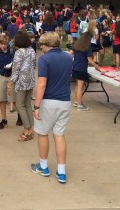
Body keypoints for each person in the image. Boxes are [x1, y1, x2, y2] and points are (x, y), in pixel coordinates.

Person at [30, 32, 73, 184]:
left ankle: (43, 166)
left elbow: (41, 84)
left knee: (42, 133)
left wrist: (36, 105)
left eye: (41, 45)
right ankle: (61, 171)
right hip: (65, 101)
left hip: (48, 101)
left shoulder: (44, 59)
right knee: (59, 135)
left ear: (47, 45)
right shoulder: (68, 57)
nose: (40, 48)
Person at [8, 30, 37, 141]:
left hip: (21, 81)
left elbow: (16, 69)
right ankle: (31, 129)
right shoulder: (31, 50)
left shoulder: (19, 52)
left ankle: (27, 129)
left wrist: (11, 83)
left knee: (20, 105)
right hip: (30, 79)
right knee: (28, 104)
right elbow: (34, 65)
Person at [71, 32, 103, 111]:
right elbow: (90, 60)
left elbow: (70, 53)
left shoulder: (76, 45)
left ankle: (76, 101)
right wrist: (98, 67)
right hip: (81, 68)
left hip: (75, 67)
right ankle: (79, 105)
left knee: (78, 86)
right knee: (80, 87)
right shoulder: (87, 47)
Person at [0, 35, 15, 130]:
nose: (3, 46)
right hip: (1, 75)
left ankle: (20, 117)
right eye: (1, 44)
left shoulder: (12, 52)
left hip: (11, 76)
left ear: (8, 43)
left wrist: (11, 66)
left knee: (13, 98)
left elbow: (16, 63)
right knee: (1, 99)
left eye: (5, 44)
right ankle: (4, 119)